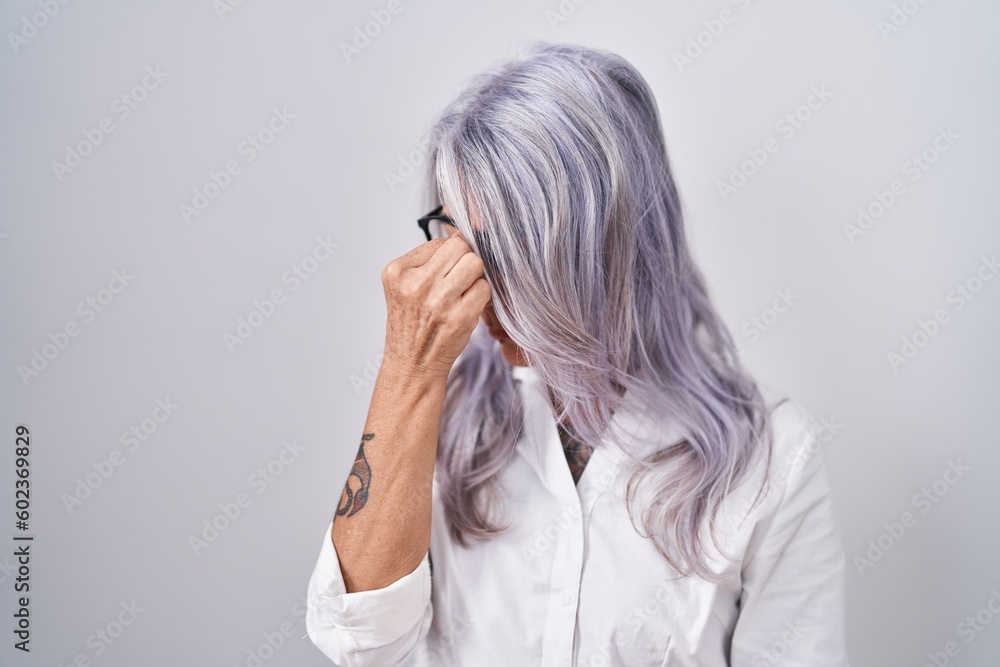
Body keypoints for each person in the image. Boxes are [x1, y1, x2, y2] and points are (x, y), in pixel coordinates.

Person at [305, 42, 849, 666]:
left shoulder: (774, 453)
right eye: (453, 238)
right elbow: (359, 641)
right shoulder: (432, 410)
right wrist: (409, 370)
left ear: (603, 249)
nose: (473, 287)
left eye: (506, 252)